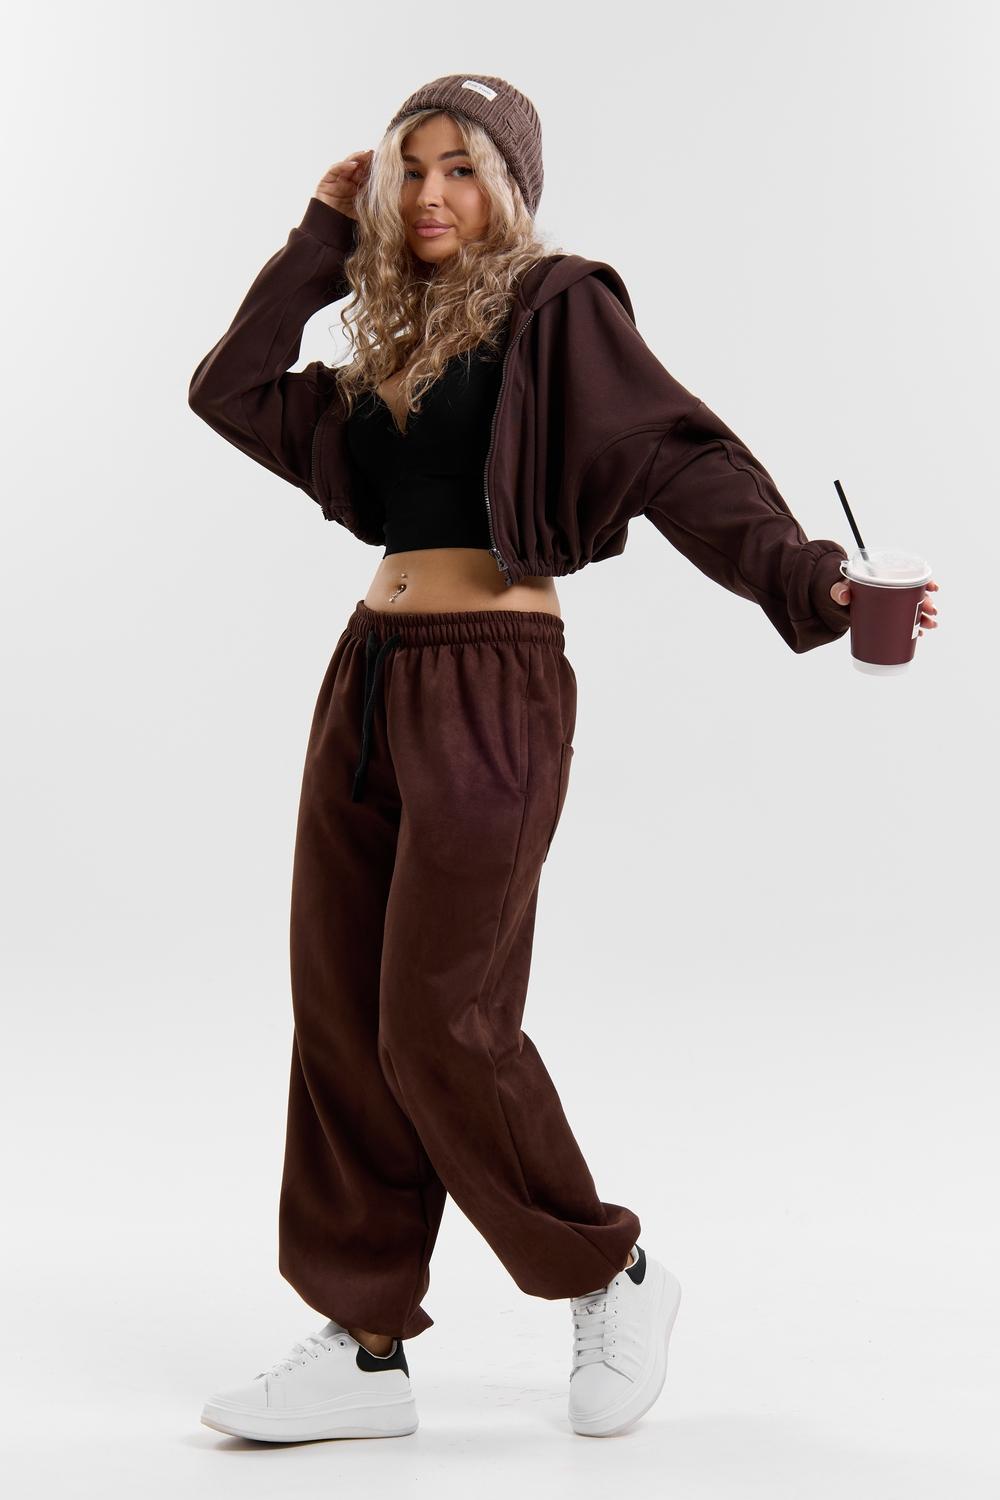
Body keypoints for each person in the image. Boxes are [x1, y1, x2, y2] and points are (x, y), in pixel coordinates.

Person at [188, 74, 939, 1446]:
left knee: (441, 1022)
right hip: (367, 677)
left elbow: (676, 459)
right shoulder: (394, 338)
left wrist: (809, 578)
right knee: (343, 1013)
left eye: (462, 167)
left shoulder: (557, 310)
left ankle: (610, 1272)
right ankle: (365, 1347)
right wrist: (317, 237)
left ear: (512, 187)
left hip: (493, 687)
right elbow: (227, 390)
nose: (429, 193)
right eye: (410, 166)